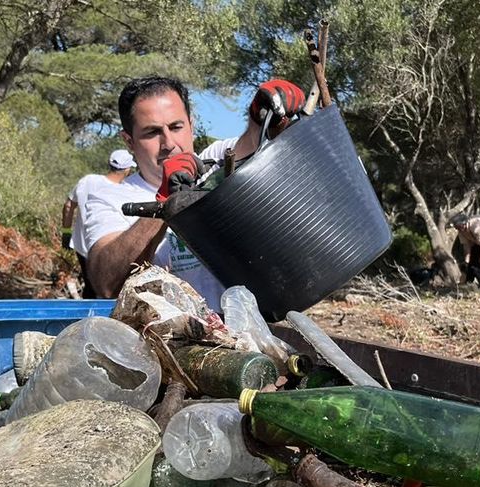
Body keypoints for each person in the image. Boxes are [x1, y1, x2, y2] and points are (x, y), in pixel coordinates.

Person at [72, 76, 305, 311]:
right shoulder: (109, 197)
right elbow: (106, 283)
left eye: (176, 127)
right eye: (152, 132)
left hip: (238, 331)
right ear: (129, 141)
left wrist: (263, 116)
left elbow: (252, 140)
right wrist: (163, 203)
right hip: (164, 341)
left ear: (191, 125)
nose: (169, 143)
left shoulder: (216, 163)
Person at [64, 149, 137, 298]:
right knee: (107, 291)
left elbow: (68, 205)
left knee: (91, 287)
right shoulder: (122, 190)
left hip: (82, 247)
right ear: (127, 169)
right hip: (108, 249)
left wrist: (65, 231)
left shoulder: (88, 180)